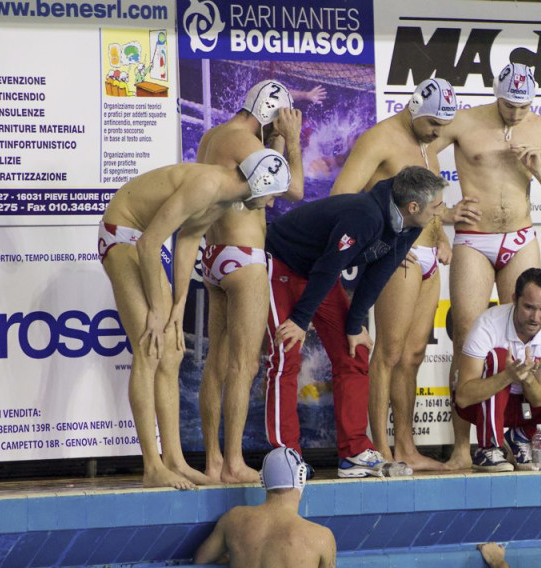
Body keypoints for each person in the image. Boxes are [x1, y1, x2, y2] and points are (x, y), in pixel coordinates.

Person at [99, 151, 291, 490]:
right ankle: (151, 466)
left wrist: (179, 302)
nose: (273, 203)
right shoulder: (207, 185)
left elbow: (188, 241)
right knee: (150, 346)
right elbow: (148, 244)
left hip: (140, 240)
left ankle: (173, 460)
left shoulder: (225, 198)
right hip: (122, 234)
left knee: (172, 351)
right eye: (274, 193)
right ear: (260, 181)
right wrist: (159, 310)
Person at [330, 78, 479, 471]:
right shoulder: (379, 139)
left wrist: (442, 233)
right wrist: (378, 246)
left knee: (413, 355)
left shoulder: (425, 143)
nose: (437, 133)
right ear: (414, 109)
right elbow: (341, 200)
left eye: (443, 126)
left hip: (430, 255)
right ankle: (379, 448)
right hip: (401, 256)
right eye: (432, 123)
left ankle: (407, 447)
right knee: (389, 354)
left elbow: (425, 204)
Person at [264, 165, 448, 477]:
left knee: (355, 350)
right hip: (283, 262)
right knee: (286, 353)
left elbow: (379, 271)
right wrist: (299, 319)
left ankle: (354, 452)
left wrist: (354, 324)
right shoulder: (365, 215)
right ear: (413, 206)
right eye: (436, 206)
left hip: (317, 273)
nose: (441, 212)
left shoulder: (411, 222)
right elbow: (329, 266)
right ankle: (286, 455)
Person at [434, 63, 541, 470]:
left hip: (520, 236)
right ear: (496, 94)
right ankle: (463, 445)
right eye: (510, 105)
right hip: (474, 239)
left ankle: (504, 435)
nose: (516, 113)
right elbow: (419, 152)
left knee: (525, 341)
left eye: (524, 105)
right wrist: (441, 213)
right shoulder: (464, 121)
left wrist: (538, 169)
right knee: (467, 341)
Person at [196, 79, 306, 485]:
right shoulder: (245, 141)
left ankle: (211, 462)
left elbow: (266, 195)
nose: (280, 129)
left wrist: (274, 142)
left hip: (214, 256)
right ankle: (234, 462)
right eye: (277, 121)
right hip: (245, 259)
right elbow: (294, 189)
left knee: (215, 363)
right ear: (269, 113)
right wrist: (292, 141)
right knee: (243, 366)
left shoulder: (215, 136)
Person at [453, 269, 541, 472]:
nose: (536, 317)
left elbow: (539, 399)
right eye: (529, 307)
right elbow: (462, 398)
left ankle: (523, 438)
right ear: (514, 299)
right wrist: (507, 376)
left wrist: (528, 378)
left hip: (525, 406)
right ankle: (489, 448)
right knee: (499, 357)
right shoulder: (487, 325)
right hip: (479, 407)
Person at [193, 447, 337, 568]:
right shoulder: (320, 537)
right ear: (301, 477)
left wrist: (235, 558)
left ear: (263, 480)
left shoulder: (233, 520)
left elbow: (201, 560)